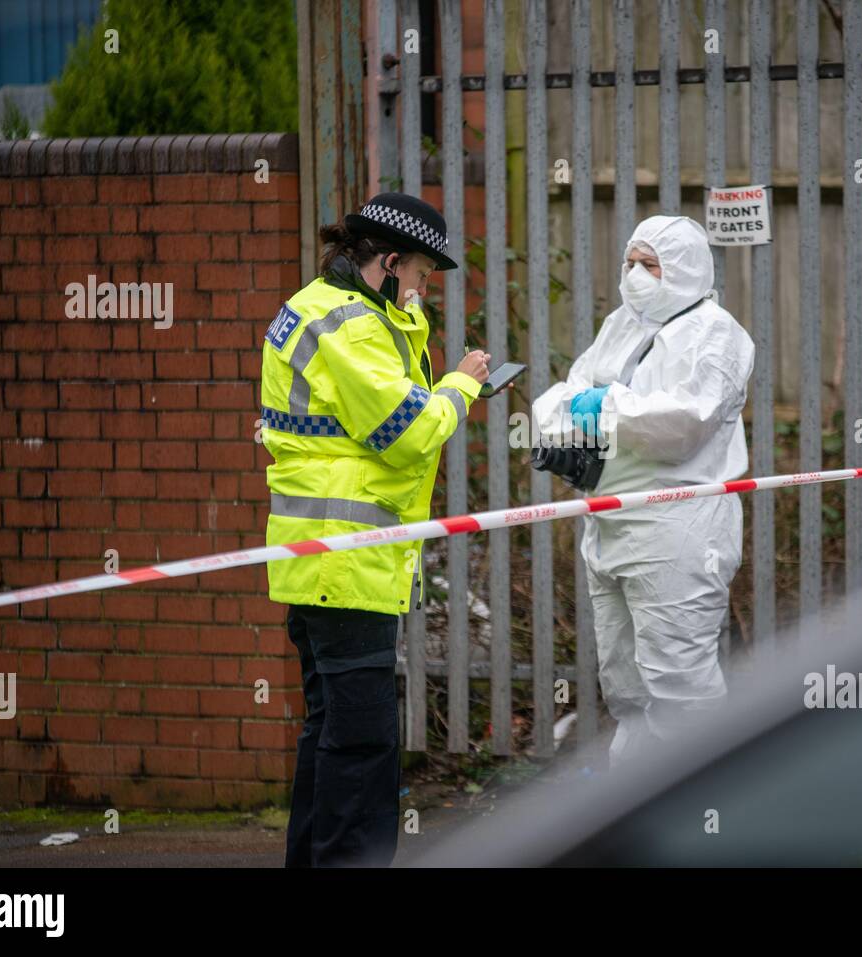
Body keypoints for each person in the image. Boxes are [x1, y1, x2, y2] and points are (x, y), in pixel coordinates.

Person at [260, 192, 490, 866]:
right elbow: (408, 433)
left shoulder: (318, 305)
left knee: (329, 732)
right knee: (361, 746)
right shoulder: (354, 327)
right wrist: (462, 386)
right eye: (419, 275)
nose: (423, 290)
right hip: (349, 568)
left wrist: (409, 320)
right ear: (387, 262)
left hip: (320, 565)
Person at [533, 215, 755, 767]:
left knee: (680, 683)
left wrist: (604, 407)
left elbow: (684, 423)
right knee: (626, 683)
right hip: (609, 523)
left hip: (677, 526)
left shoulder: (717, 333)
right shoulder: (623, 323)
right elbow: (560, 399)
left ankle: (703, 810)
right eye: (630, 262)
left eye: (649, 264)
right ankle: (634, 796)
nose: (635, 274)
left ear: (683, 269)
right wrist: (592, 407)